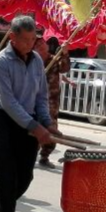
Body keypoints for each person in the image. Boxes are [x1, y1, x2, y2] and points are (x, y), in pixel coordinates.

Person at [0, 16, 56, 212]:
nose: (30, 44)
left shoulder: (35, 62)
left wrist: (46, 122)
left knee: (24, 179)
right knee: (7, 176)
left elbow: (41, 96)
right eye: (25, 40)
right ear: (12, 37)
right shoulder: (1, 62)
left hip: (29, 120)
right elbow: (8, 101)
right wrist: (35, 127)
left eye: (34, 39)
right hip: (4, 120)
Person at [36, 36, 70, 168]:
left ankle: (44, 156)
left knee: (52, 132)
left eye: (42, 43)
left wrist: (65, 52)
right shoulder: (32, 61)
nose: (41, 46)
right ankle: (28, 156)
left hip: (52, 103)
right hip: (36, 102)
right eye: (37, 44)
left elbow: (65, 68)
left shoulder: (54, 60)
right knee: (35, 132)